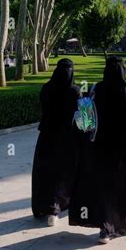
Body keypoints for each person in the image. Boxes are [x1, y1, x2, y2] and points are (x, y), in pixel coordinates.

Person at [69, 56, 126, 243]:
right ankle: (123, 220)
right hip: (122, 152)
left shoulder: (96, 89)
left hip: (98, 148)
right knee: (123, 187)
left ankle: (105, 228)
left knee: (103, 189)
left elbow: (86, 118)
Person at [32, 58, 81, 225]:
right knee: (65, 172)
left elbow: (43, 108)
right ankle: (57, 207)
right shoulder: (74, 91)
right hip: (68, 138)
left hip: (47, 136)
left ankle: (44, 206)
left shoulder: (47, 88)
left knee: (45, 172)